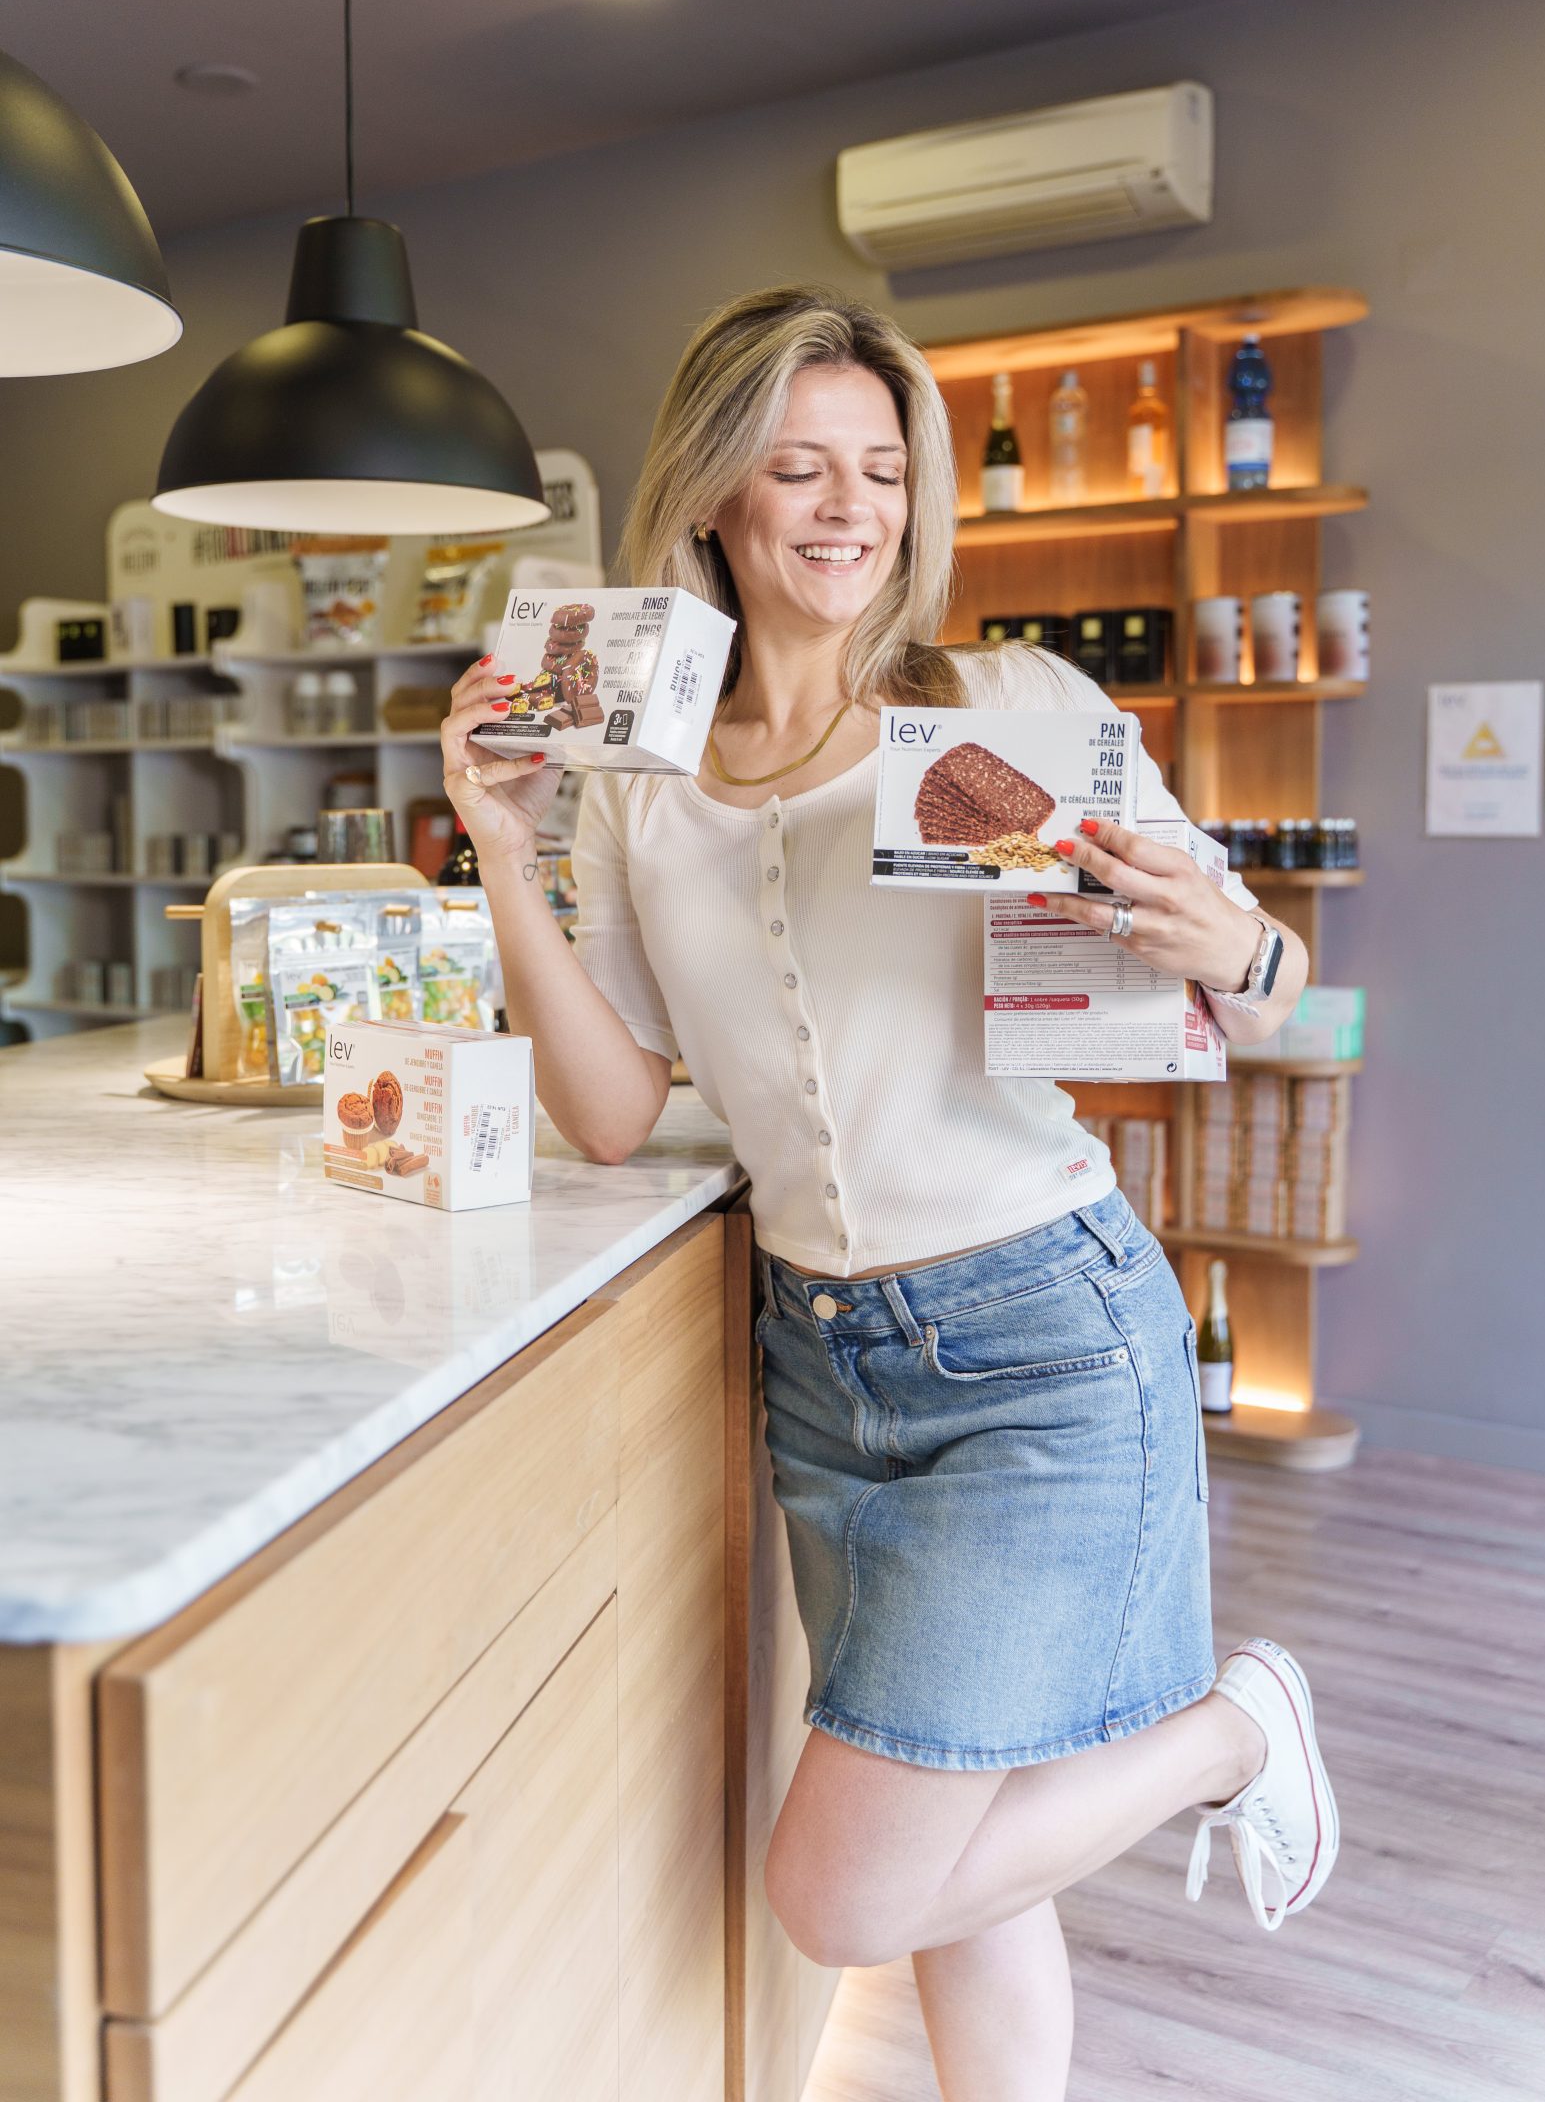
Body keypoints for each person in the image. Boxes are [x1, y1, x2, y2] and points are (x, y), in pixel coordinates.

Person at [441, 286, 1339, 2101]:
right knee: (966, 1868)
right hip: (823, 1369)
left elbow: (1269, 988)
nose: (850, 508)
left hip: (1045, 1339)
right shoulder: (636, 777)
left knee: (846, 1893)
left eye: (882, 469)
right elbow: (609, 1111)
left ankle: (1238, 1733)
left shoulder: (1008, 709)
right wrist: (503, 849)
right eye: (799, 468)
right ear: (716, 494)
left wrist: (1231, 947)